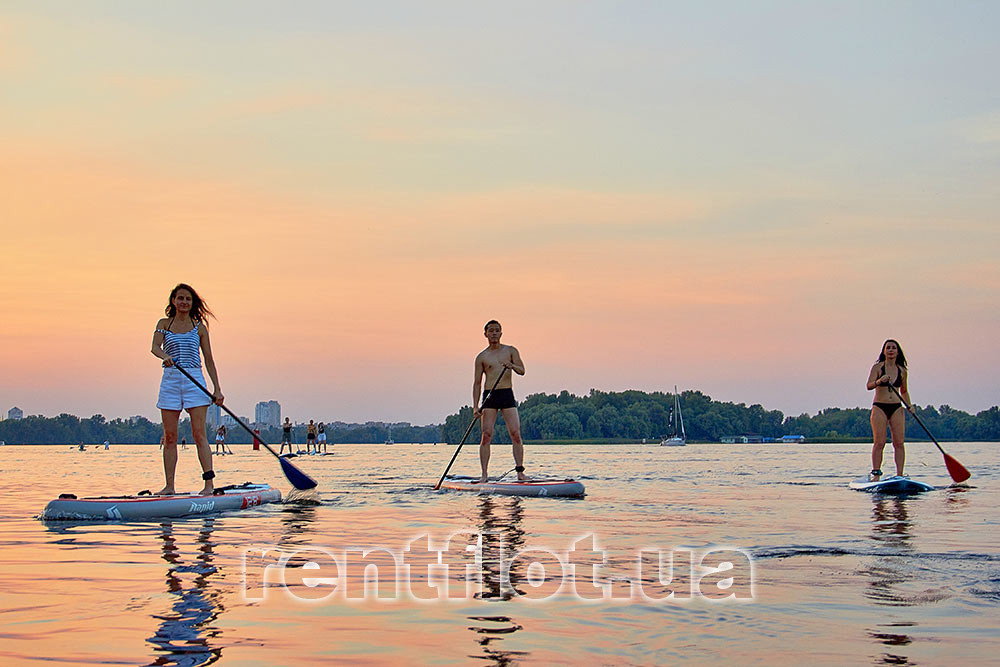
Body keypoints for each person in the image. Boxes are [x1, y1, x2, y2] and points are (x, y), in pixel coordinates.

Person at [151, 283, 223, 495]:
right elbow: (154, 347)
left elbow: (209, 359)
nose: (184, 302)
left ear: (192, 303)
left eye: (188, 299)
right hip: (171, 379)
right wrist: (165, 357)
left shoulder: (199, 327)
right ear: (173, 301)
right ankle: (170, 486)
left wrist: (217, 389)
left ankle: (209, 485)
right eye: (180, 298)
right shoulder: (164, 323)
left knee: (199, 434)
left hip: (194, 379)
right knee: (170, 436)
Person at [474, 320, 527, 483]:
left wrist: (511, 365)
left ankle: (520, 472)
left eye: (497, 331)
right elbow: (477, 383)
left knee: (515, 434)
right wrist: (475, 406)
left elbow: (522, 371)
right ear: (486, 334)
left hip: (506, 394)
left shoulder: (510, 351)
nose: (494, 333)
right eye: (491, 331)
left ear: (501, 333)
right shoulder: (482, 357)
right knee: (486, 435)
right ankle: (484, 475)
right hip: (490, 395)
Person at [866, 339, 911, 481]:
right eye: (888, 348)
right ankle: (876, 474)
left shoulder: (902, 370)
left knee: (899, 442)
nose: (891, 350)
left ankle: (900, 475)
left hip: (897, 407)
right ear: (884, 351)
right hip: (880, 406)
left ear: (898, 352)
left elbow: (904, 391)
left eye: (894, 348)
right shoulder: (878, 367)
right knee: (880, 442)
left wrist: (909, 405)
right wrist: (880, 381)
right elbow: (869, 386)